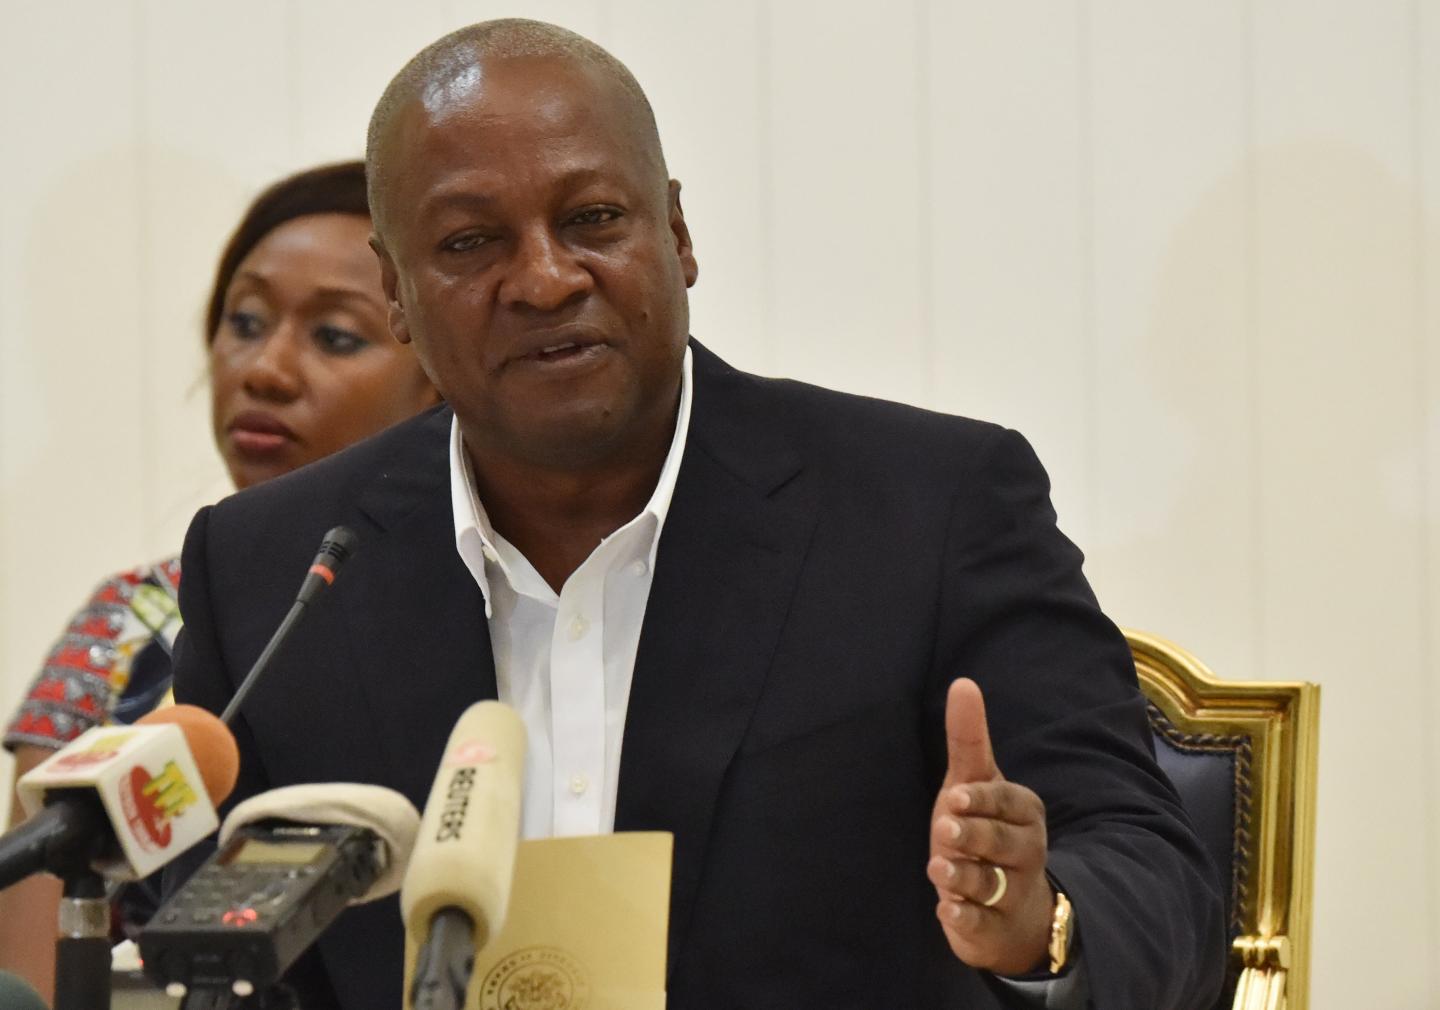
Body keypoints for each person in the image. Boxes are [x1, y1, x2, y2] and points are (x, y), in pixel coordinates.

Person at [168, 20, 1226, 1009]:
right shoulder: (269, 567)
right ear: (397, 294)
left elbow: (1155, 872)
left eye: (592, 220)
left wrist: (1037, 920)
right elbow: (212, 955)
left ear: (675, 234)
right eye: (469, 243)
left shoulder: (929, 508)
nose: (542, 278)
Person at [0, 160, 439, 1003]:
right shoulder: (129, 620)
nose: (265, 369)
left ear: (443, 375)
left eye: (336, 336)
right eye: (244, 320)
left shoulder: (496, 604)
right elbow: (32, 979)